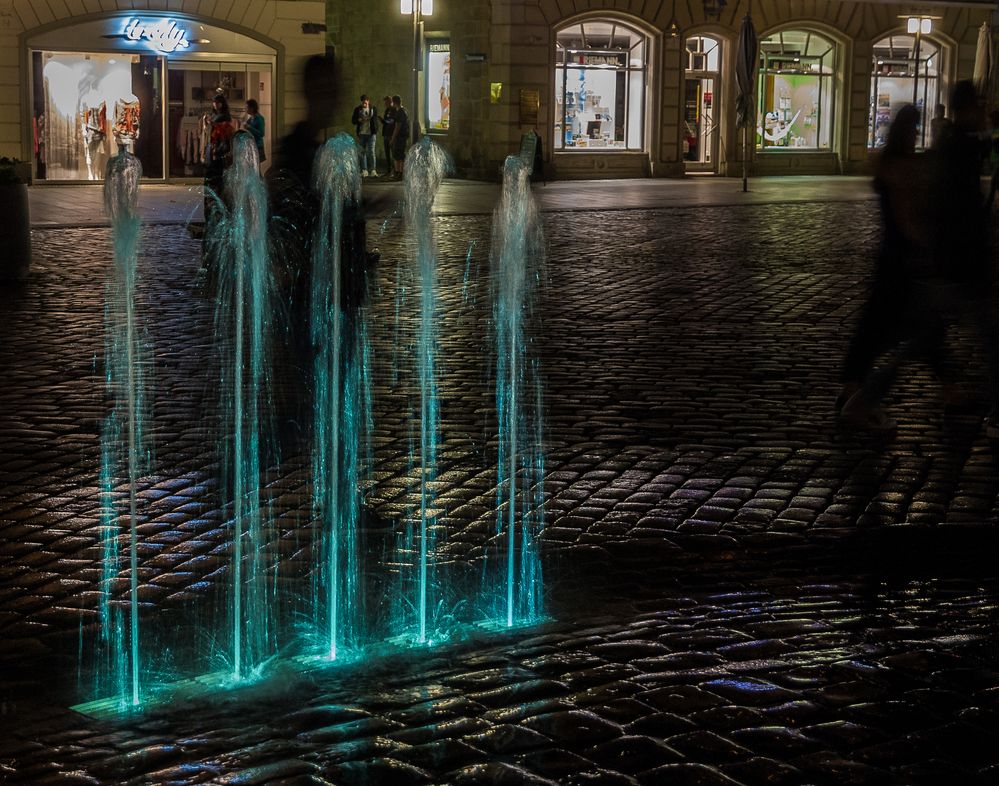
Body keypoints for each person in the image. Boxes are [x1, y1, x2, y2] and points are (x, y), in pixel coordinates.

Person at [837, 105, 947, 431]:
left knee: (876, 327)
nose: (917, 134)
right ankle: (861, 399)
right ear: (907, 131)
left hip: (891, 256)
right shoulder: (900, 167)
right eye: (914, 129)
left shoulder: (888, 163)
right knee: (915, 330)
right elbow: (906, 216)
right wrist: (926, 247)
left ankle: (853, 388)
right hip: (903, 259)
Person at [351, 94, 378, 177]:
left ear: (368, 101)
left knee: (371, 152)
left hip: (371, 134)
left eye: (365, 102)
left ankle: (373, 170)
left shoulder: (373, 109)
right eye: (363, 102)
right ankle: (364, 170)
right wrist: (359, 120)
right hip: (362, 134)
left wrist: (375, 129)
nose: (364, 104)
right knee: (362, 152)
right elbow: (353, 120)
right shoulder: (357, 109)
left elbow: (375, 120)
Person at [389, 94, 410, 180]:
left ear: (394, 102)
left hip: (400, 137)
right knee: (400, 155)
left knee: (398, 156)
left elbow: (397, 126)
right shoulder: (405, 110)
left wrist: (393, 138)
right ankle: (399, 174)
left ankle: (399, 174)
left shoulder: (400, 112)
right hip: (403, 136)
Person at [243, 98, 266, 165]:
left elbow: (261, 133)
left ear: (252, 108)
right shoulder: (251, 118)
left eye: (247, 107)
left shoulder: (259, 119)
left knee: (256, 167)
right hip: (251, 145)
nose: (245, 109)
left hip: (257, 146)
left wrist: (249, 127)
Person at [985, 109, 999, 210]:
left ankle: (988, 204)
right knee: (994, 182)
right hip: (995, 159)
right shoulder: (994, 131)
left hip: (997, 160)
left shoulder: (995, 132)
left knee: (994, 182)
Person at [380, 95, 396, 176]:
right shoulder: (387, 110)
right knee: (387, 153)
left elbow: (392, 121)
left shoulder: (394, 110)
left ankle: (394, 170)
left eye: (387, 102)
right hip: (385, 134)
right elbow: (386, 122)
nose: (385, 104)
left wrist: (385, 121)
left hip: (391, 135)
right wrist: (382, 121)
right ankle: (389, 170)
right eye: (385, 103)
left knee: (393, 153)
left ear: (391, 102)